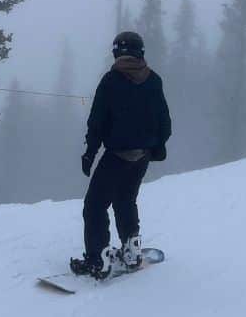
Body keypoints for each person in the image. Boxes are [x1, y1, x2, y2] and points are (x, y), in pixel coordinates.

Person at [70, 31, 172, 280]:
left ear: (117, 52)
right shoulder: (154, 80)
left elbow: (96, 123)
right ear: (140, 52)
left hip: (117, 155)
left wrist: (89, 154)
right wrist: (155, 149)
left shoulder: (111, 80)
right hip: (142, 156)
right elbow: (164, 123)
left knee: (94, 206)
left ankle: (98, 260)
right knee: (125, 200)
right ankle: (131, 251)